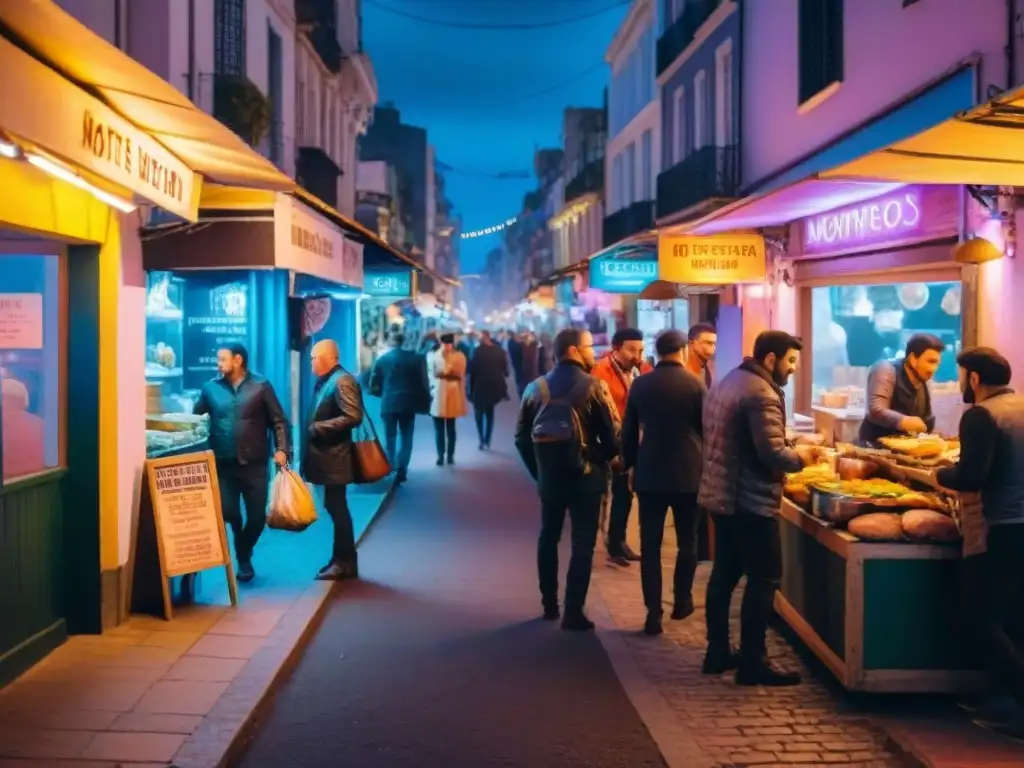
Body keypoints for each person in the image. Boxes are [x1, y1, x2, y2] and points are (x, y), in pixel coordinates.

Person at [699, 330, 820, 686]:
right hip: (749, 501)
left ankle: (718, 650)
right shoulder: (762, 394)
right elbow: (771, 454)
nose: (794, 368)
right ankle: (753, 662)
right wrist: (803, 456)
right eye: (791, 360)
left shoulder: (731, 380)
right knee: (764, 579)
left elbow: (748, 440)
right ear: (771, 359)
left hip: (723, 495)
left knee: (725, 575)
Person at [932, 347, 1024, 737]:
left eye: (961, 377)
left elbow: (971, 477)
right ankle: (1001, 699)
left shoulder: (982, 416)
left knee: (982, 620)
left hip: (998, 527)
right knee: (1014, 619)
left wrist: (941, 473)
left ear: (974, 379)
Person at [514, 328, 620, 631]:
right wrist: (605, 458)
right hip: (587, 479)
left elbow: (521, 438)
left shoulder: (535, 389)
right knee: (583, 544)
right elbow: (613, 441)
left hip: (551, 479)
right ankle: (574, 611)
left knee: (548, 536)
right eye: (589, 347)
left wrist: (540, 471)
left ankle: (549, 604)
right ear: (573, 350)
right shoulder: (595, 387)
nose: (593, 352)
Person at [621, 329, 706, 636]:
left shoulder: (641, 384)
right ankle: (682, 599)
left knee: (651, 546)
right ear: (683, 350)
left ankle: (652, 612)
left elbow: (629, 432)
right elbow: (708, 430)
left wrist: (629, 464)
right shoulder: (696, 385)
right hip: (689, 475)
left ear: (656, 352)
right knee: (688, 542)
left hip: (651, 474)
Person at [193, 343, 290, 583]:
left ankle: (244, 551)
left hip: (254, 463)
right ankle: (243, 557)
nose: (218, 363)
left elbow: (278, 421)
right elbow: (196, 420)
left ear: (238, 360)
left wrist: (282, 449)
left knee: (257, 518)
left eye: (222, 359)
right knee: (229, 512)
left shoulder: (261, 386)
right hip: (223, 463)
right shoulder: (210, 389)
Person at [303, 339, 364, 581]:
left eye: (314, 358)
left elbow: (353, 415)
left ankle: (344, 562)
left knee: (338, 509)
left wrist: (319, 428)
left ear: (328, 357)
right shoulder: (330, 380)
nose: (311, 363)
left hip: (335, 459)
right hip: (328, 458)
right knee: (335, 507)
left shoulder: (342, 381)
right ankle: (341, 559)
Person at [592, 327, 652, 566]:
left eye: (640, 349)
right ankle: (610, 542)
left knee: (625, 494)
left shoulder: (641, 369)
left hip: (631, 440)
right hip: (609, 442)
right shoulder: (600, 371)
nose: (636, 355)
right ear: (616, 348)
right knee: (613, 493)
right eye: (631, 349)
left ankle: (618, 541)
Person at [859, 333, 945, 444]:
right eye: (930, 362)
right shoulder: (886, 369)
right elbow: (876, 409)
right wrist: (903, 421)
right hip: (875, 447)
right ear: (913, 359)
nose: (934, 369)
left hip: (908, 450)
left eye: (937, 364)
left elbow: (926, 421)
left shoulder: (924, 381)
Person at [368, 331, 431, 484]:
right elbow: (423, 383)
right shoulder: (416, 359)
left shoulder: (382, 360)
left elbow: (373, 385)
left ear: (390, 341)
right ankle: (402, 469)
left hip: (388, 402)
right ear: (404, 341)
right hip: (408, 403)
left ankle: (390, 466)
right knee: (406, 437)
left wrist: (381, 394)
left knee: (390, 437)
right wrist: (425, 402)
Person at [430, 333, 468, 465]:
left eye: (448, 344)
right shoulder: (434, 355)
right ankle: (440, 455)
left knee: (451, 428)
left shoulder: (459, 356)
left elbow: (460, 374)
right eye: (444, 344)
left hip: (452, 394)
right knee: (439, 429)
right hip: (438, 394)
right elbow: (431, 373)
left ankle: (450, 455)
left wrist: (446, 373)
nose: (446, 347)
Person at [467, 330, 509, 450]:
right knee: (490, 412)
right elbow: (506, 373)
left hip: (479, 387)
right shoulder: (500, 351)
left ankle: (481, 439)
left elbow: (470, 370)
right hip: (495, 387)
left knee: (479, 414)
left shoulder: (476, 351)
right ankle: (488, 439)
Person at [686, 322, 717, 387]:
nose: (713, 348)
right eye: (708, 343)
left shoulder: (711, 367)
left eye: (714, 344)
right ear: (691, 343)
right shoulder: (679, 368)